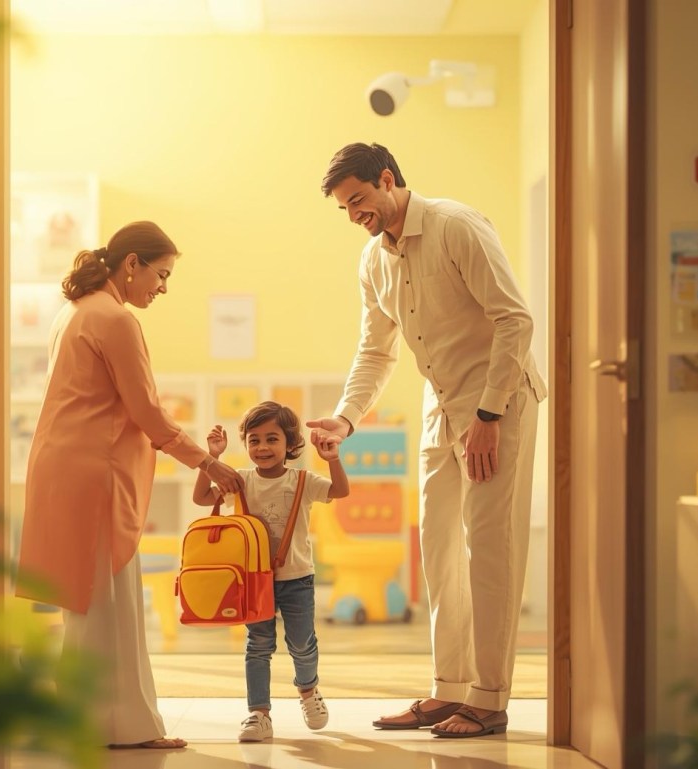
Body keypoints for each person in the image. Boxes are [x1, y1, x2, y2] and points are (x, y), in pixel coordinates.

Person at [307, 143, 547, 738]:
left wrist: (489, 414)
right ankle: (450, 690)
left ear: (387, 180)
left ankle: (488, 699)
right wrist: (345, 418)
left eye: (359, 200)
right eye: (345, 209)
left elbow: (514, 319)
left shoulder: (455, 225)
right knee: (438, 551)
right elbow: (375, 350)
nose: (355, 215)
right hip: (441, 406)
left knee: (488, 549)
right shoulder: (373, 260)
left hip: (498, 403)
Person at [14, 221, 244, 750]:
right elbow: (147, 412)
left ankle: (89, 722)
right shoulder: (114, 318)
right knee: (109, 604)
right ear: (132, 264)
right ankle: (122, 727)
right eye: (161, 275)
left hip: (63, 468)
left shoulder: (75, 311)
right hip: (95, 474)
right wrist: (205, 465)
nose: (163, 287)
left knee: (88, 602)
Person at [192, 401, 350, 743]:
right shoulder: (239, 480)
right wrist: (212, 459)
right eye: (254, 440)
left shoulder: (304, 480)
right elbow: (202, 498)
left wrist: (333, 460)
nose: (262, 447)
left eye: (272, 439)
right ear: (246, 444)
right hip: (253, 581)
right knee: (258, 645)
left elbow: (340, 491)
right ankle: (258, 713)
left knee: (302, 644)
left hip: (297, 579)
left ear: (290, 444)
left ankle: (308, 692)